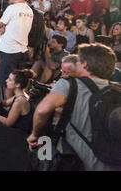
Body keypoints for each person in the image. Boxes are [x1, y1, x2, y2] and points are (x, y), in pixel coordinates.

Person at [27, 43, 120, 171]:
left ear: (85, 64)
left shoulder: (70, 84)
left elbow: (42, 110)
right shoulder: (116, 90)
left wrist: (35, 135)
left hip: (76, 161)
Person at [0, 69, 35, 133]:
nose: (6, 80)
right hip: (15, 122)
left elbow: (8, 123)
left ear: (18, 85)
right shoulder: (21, 94)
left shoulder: (19, 101)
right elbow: (6, 103)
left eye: (10, 80)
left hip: (20, 131)